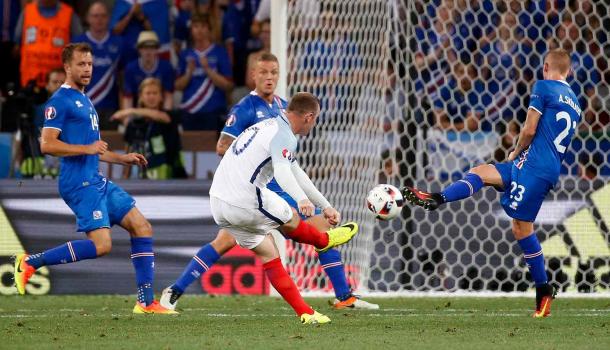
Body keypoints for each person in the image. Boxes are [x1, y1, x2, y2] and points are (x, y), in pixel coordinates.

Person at [161, 53, 378, 310]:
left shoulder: (285, 107)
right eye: (263, 72)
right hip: (253, 193)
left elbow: (290, 163)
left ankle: (345, 296)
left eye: (273, 72)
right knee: (225, 242)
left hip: (278, 189)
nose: (269, 77)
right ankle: (175, 290)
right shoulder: (245, 108)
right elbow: (222, 147)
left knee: (323, 230)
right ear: (253, 75)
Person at [402, 49, 582, 318]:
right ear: (569, 71)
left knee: (522, 229)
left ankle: (543, 290)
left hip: (533, 165)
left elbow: (530, 129)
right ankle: (437, 198)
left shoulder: (544, 86)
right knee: (481, 172)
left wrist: (516, 151)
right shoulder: (576, 101)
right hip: (540, 166)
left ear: (546, 66)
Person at [12, 43, 175, 314]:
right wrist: (87, 149)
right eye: (81, 64)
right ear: (67, 67)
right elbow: (48, 145)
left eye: (89, 64)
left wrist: (122, 158)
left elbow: (95, 149)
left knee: (142, 226)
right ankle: (30, 262)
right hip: (78, 183)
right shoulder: (60, 101)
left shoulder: (85, 100)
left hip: (95, 179)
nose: (87, 69)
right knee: (102, 246)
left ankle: (146, 303)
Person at [111, 78, 186, 180]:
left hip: (170, 177)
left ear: (161, 97)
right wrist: (125, 177)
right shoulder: (133, 124)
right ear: (141, 96)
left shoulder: (170, 115)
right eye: (148, 93)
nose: (151, 97)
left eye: (155, 93)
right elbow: (128, 151)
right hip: (140, 177)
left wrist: (130, 111)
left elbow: (161, 117)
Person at [73, 1, 125, 130]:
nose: (99, 19)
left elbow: (123, 79)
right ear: (87, 18)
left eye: (103, 16)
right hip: (83, 108)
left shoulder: (120, 43)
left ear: (108, 18)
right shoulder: (77, 44)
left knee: (109, 146)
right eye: (95, 16)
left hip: (111, 107)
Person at [176, 14, 233, 131]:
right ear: (191, 30)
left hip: (214, 111)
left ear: (209, 29)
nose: (199, 30)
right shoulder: (185, 54)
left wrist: (208, 69)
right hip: (189, 110)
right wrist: (189, 72)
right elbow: (177, 86)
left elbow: (228, 86)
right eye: (195, 26)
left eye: (203, 26)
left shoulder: (220, 52)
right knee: (189, 147)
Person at [14, 0, 82, 88]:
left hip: (58, 85)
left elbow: (79, 49)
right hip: (29, 84)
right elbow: (16, 44)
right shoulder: (27, 12)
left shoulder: (69, 14)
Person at [123, 31, 174, 110]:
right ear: (139, 49)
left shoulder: (166, 67)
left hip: (160, 110)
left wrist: (166, 117)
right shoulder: (131, 68)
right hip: (137, 110)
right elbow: (128, 97)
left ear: (157, 49)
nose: (148, 51)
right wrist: (128, 120)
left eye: (152, 48)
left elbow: (168, 96)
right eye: (145, 48)